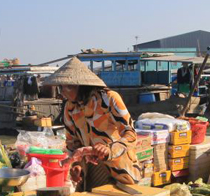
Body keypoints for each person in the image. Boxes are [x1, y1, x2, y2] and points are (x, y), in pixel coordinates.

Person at [43, 57, 143, 188]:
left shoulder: (109, 99)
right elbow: (72, 143)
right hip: (92, 170)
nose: (61, 93)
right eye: (60, 88)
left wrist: (108, 149)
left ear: (78, 86)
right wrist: (77, 166)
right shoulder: (70, 107)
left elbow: (130, 134)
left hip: (120, 168)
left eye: (64, 88)